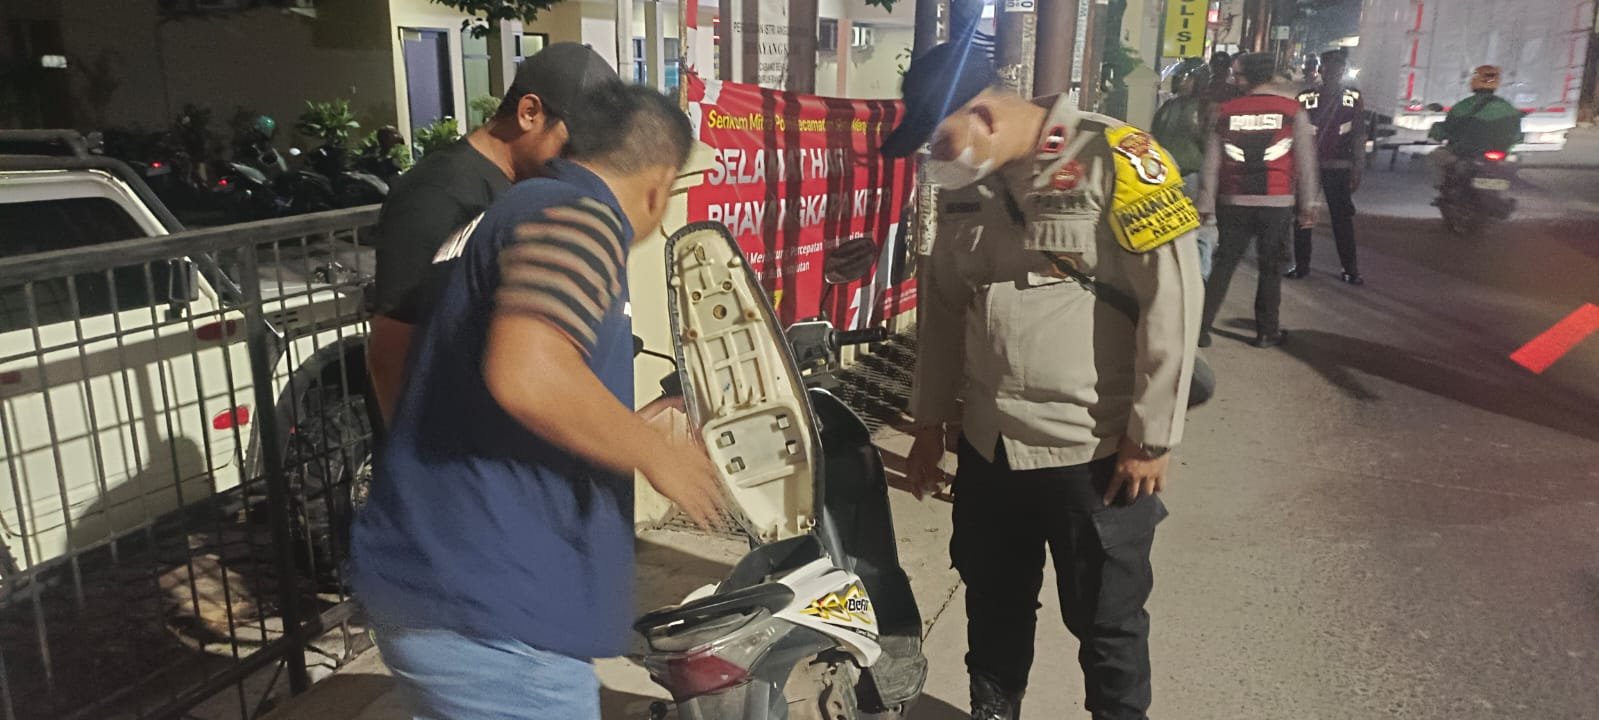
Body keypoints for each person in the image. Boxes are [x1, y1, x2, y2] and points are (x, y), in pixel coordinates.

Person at [349, 85, 724, 720]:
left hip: (447, 591)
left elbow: (491, 395)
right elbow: (528, 374)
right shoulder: (580, 215)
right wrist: (658, 455)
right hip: (495, 616)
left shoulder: (513, 211)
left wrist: (625, 427)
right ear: (660, 186)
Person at [886, 41, 1202, 720]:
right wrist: (930, 421)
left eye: (940, 140)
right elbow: (943, 309)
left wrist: (1150, 437)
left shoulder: (1116, 157)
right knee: (992, 601)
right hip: (988, 445)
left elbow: (1171, 298)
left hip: (1091, 450)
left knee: (1107, 621)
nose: (934, 159)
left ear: (985, 116)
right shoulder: (966, 183)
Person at [366, 43, 619, 424]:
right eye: (575, 147)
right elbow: (391, 349)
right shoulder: (436, 194)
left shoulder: (527, 187)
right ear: (529, 112)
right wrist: (417, 454)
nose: (581, 164)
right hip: (444, 444)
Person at [1197, 52, 1320, 349]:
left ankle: (1199, 327)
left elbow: (1211, 162)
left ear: (1247, 78)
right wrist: (1308, 203)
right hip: (1276, 202)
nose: (1233, 79)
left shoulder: (1226, 111)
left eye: (1237, 75)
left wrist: (1206, 203)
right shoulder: (1292, 111)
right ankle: (1266, 332)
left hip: (1233, 200)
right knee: (1270, 268)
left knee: (1224, 265)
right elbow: (1305, 161)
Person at [1290, 49, 1366, 284]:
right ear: (1321, 70)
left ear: (1342, 71)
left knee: (1341, 220)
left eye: (1337, 69)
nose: (1333, 72)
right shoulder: (1305, 97)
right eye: (1329, 68)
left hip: (1338, 167)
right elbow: (1294, 133)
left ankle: (1350, 269)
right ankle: (1302, 265)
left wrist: (1357, 167)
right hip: (1309, 167)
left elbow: (1358, 135)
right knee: (1304, 216)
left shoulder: (1352, 98)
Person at [1151, 57, 1219, 279]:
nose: (1181, 81)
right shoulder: (1168, 106)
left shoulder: (1206, 108)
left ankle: (1200, 277)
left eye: (1187, 77)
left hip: (1193, 177)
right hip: (1167, 177)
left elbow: (1211, 145)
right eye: (1179, 76)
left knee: (1197, 231)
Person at [1427, 65, 1524, 191]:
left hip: (1465, 154)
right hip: (1499, 155)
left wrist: (1437, 132)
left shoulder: (1463, 106)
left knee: (1436, 156)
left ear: (1474, 80)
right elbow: (1517, 136)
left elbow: (1447, 129)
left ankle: (1443, 189)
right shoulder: (1508, 108)